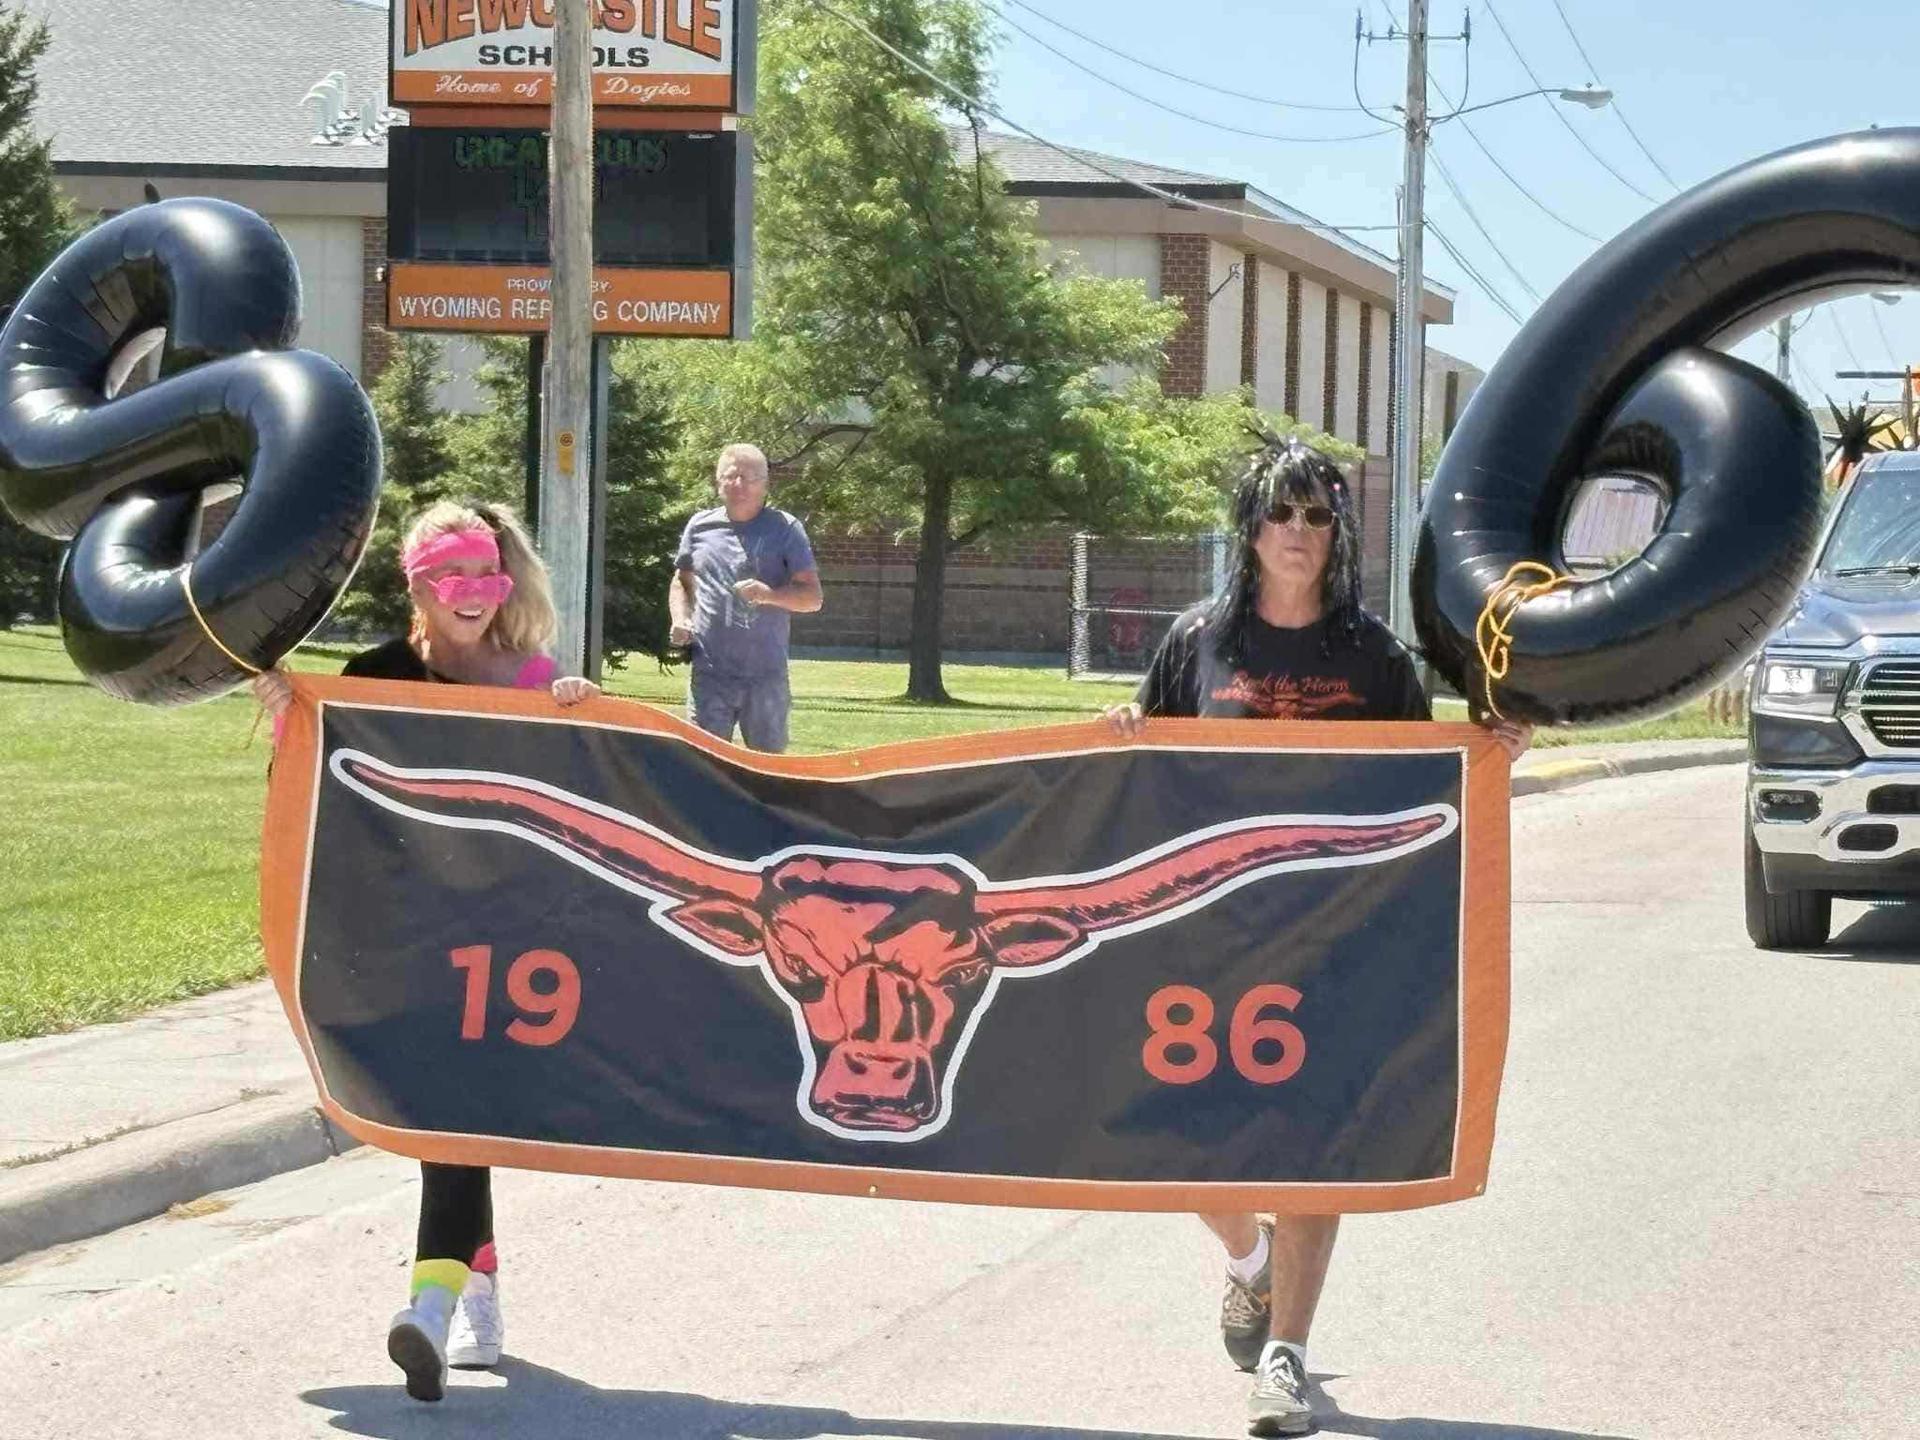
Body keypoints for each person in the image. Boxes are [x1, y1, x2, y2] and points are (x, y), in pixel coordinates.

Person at [1105, 436, 1530, 1438]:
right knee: (1191, 1154)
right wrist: (1119, 737)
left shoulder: (1375, 658)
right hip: (1209, 947)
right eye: (1282, 514)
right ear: (1250, 528)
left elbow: (1427, 787)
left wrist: (1490, 748)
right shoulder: (1197, 643)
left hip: (1331, 949)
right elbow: (1148, 776)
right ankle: (1246, 1264)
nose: (1299, 534)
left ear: (1336, 534)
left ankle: (1284, 1358)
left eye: (1318, 516)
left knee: (1315, 1149)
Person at [253, 499, 599, 1403]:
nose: (474, 595)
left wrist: (581, 711)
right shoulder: (372, 677)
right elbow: (315, 786)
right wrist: (289, 710)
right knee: (453, 1122)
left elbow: (584, 788)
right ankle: (477, 1279)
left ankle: (432, 1310)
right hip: (408, 937)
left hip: (507, 941)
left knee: (454, 1118)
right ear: (418, 586)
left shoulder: (528, 677)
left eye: (487, 577)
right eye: (453, 580)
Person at [668, 443, 822, 752]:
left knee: (768, 772)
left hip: (765, 678)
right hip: (710, 675)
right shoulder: (700, 526)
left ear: (765, 485)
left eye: (750, 478)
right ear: (718, 481)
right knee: (705, 766)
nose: (739, 484)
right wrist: (681, 618)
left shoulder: (785, 529)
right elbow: (682, 581)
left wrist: (770, 596)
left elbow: (812, 597)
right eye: (731, 476)